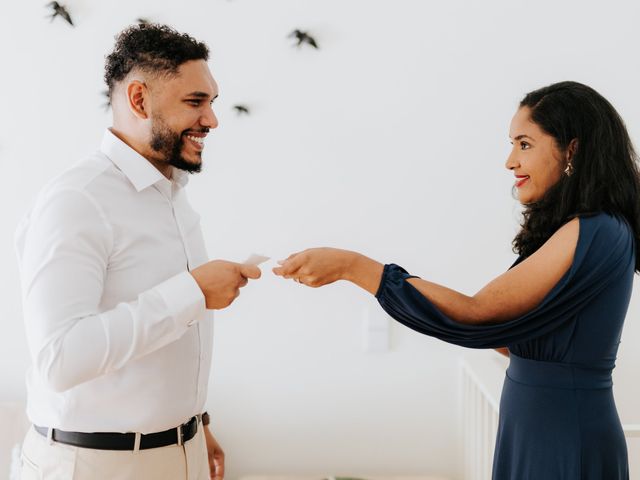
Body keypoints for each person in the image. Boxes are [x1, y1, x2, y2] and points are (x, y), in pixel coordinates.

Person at [274, 81, 640, 479]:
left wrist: (355, 267)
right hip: (538, 425)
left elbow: (478, 315)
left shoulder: (597, 230)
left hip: (565, 436)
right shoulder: (582, 229)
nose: (510, 161)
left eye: (524, 144)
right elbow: (506, 334)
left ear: (572, 149)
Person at [16, 24, 261, 480]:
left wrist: (192, 427)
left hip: (177, 452)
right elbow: (60, 358)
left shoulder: (172, 193)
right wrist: (192, 292)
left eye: (212, 102)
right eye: (195, 102)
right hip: (93, 466)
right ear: (139, 100)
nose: (212, 120)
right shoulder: (78, 200)